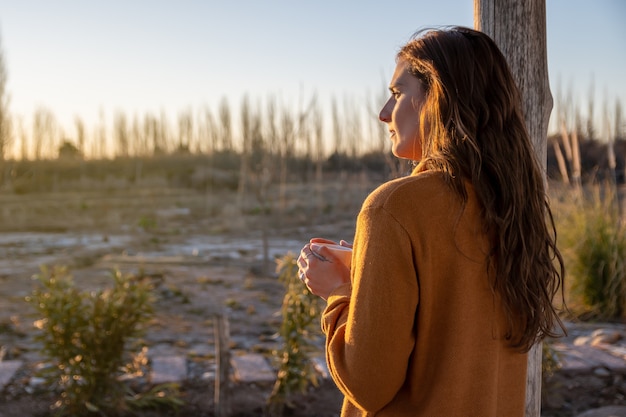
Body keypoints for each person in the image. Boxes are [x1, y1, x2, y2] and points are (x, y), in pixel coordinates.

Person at [297, 26, 565, 416]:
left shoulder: (394, 207)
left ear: (437, 96)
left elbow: (368, 384)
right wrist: (368, 270)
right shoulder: (511, 206)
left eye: (397, 93)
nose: (383, 113)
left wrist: (339, 292)